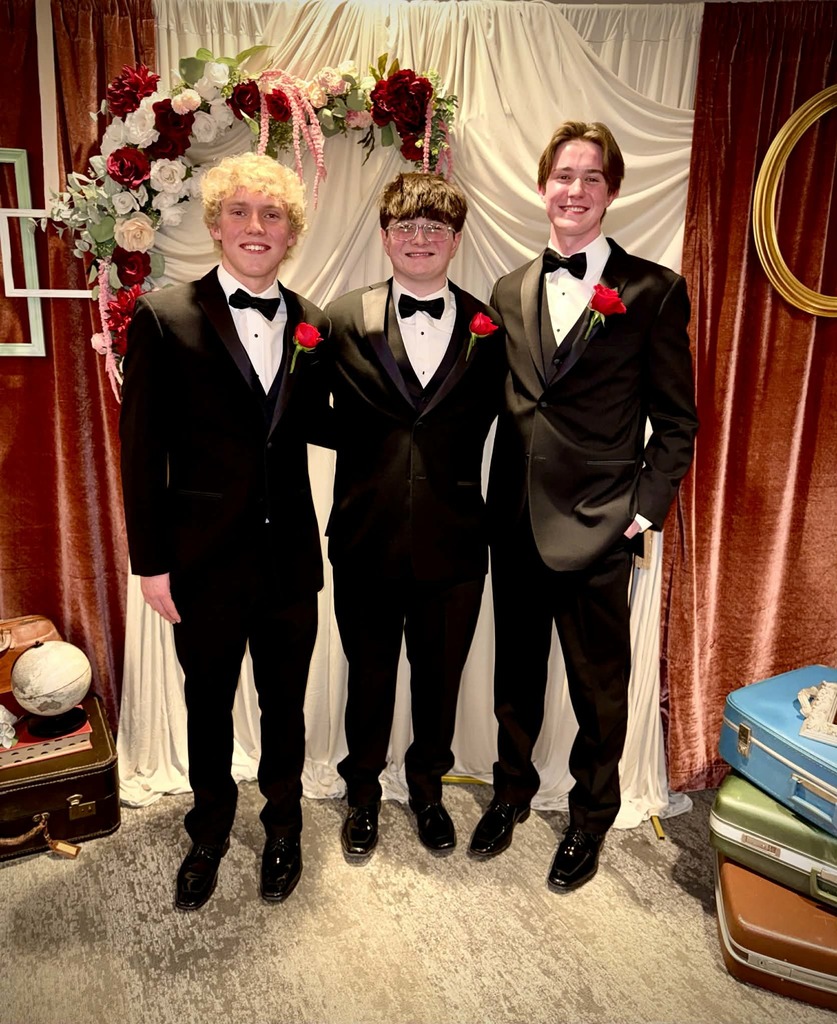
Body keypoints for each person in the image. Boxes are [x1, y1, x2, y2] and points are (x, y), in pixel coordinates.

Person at [469, 121, 698, 891]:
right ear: (542, 188)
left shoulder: (653, 290)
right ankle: (509, 794)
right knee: (515, 675)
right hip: (514, 523)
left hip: (603, 522)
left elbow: (675, 423)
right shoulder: (507, 290)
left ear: (611, 190)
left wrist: (643, 512)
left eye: (590, 177)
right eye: (562, 175)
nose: (573, 189)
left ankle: (591, 817)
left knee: (598, 687)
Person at [119, 152, 330, 910]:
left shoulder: (312, 322)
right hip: (200, 562)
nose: (255, 226)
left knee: (286, 705)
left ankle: (283, 830)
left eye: (271, 215)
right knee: (207, 704)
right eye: (239, 212)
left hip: (289, 563)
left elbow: (326, 426)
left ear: (289, 234)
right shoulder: (164, 316)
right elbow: (140, 452)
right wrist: (151, 562)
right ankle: (208, 833)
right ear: (214, 226)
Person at [325, 172, 506, 858]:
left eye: (434, 229)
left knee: (440, 679)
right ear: (383, 238)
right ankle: (362, 794)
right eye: (406, 227)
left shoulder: (491, 328)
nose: (419, 239)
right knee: (366, 678)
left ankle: (426, 789)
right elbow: (299, 414)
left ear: (456, 241)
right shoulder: (341, 318)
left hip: (457, 540)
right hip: (363, 537)